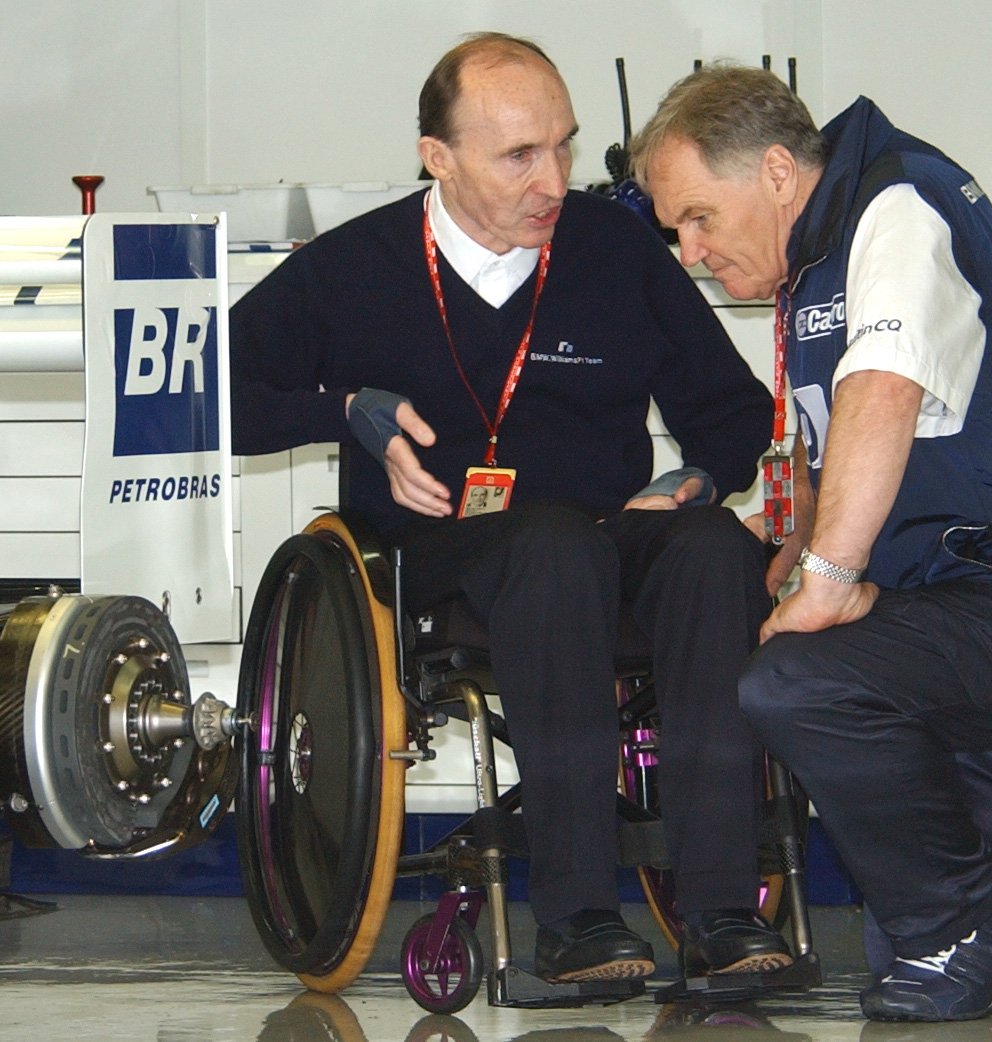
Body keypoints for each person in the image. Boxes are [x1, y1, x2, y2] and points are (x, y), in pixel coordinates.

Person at [631, 64, 992, 1023]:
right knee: (938, 949)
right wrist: (795, 536)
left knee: (793, 679)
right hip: (956, 609)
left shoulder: (894, 201)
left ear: (773, 172)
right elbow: (832, 428)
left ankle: (969, 922)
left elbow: (882, 388)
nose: (689, 250)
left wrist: (826, 576)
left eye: (696, 217)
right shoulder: (815, 255)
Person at [230, 34, 794, 985]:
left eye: (564, 147)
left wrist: (699, 473)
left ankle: (722, 911)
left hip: (607, 540)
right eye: (518, 156)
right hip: (440, 554)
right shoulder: (355, 267)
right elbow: (208, 387)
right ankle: (576, 917)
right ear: (436, 158)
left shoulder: (611, 248)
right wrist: (343, 412)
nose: (553, 180)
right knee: (551, 546)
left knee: (707, 549)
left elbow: (734, 407)